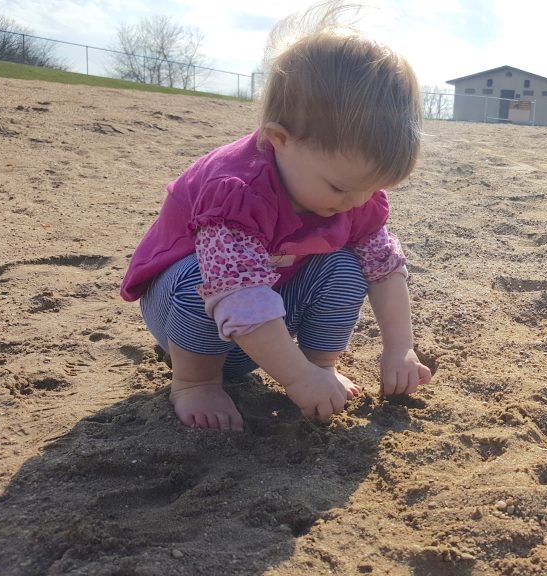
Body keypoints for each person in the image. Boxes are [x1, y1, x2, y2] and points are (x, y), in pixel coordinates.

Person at [120, 2, 431, 432]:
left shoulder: (351, 195)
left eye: (370, 188)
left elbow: (385, 269)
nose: (353, 202)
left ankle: (321, 362)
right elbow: (233, 289)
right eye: (340, 187)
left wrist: (400, 348)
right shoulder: (237, 190)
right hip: (187, 317)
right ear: (279, 139)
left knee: (347, 265)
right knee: (199, 277)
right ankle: (195, 381)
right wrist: (296, 379)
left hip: (271, 310)